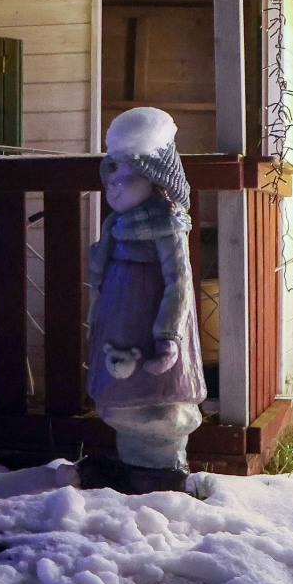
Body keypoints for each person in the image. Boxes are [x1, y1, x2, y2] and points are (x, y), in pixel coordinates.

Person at [79, 106, 206, 494]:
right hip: (120, 324)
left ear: (154, 179)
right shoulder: (117, 225)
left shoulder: (165, 225)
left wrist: (169, 338)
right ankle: (134, 469)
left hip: (150, 328)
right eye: (111, 175)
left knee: (156, 403)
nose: (114, 186)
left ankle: (162, 473)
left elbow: (178, 281)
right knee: (124, 399)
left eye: (126, 176)